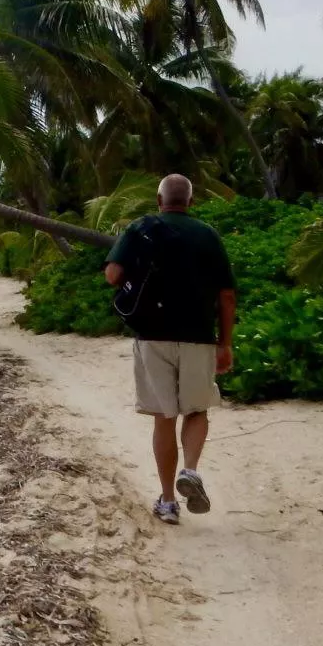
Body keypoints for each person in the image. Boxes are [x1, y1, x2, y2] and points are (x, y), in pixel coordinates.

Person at [103, 174, 236, 524]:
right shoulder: (207, 234)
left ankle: (167, 502)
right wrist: (225, 343)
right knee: (197, 410)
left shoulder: (140, 227)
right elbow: (226, 295)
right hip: (198, 336)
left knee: (164, 418)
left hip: (152, 336)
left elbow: (113, 275)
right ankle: (189, 471)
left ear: (159, 201)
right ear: (190, 203)